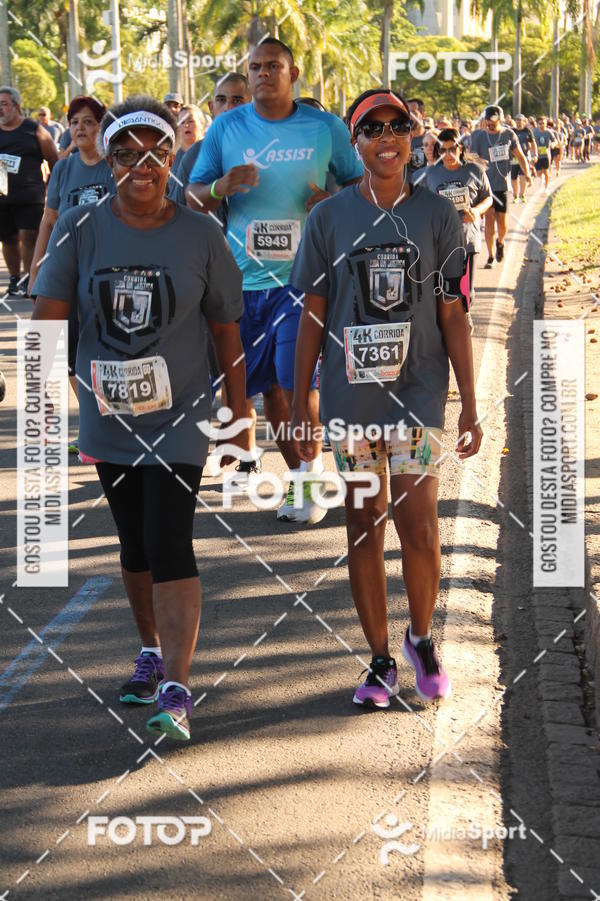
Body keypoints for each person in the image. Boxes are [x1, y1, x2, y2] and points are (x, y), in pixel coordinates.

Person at [31, 95, 248, 742]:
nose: (141, 165)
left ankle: (177, 685)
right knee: (133, 544)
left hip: (180, 416)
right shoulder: (80, 225)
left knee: (167, 537)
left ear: (172, 155)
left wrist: (240, 416)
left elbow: (226, 331)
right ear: (111, 161)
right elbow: (48, 319)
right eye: (125, 154)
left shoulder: (201, 233)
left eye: (155, 152)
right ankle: (151, 649)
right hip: (107, 415)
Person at [290, 88, 482, 705]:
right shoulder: (327, 220)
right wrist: (300, 406)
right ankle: (378, 660)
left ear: (414, 136)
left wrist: (470, 404)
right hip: (352, 403)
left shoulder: (438, 216)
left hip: (419, 395)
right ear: (357, 143)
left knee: (419, 527)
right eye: (372, 129)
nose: (386, 138)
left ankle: (420, 639)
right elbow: (312, 320)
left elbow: (454, 314)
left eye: (397, 126)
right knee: (363, 527)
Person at [186, 37, 362, 524]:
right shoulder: (226, 129)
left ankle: (307, 484)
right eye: (256, 67)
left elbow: (357, 188)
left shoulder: (325, 128)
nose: (264, 73)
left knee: (295, 378)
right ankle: (305, 476)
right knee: (266, 394)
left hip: (305, 279)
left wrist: (328, 200)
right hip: (240, 282)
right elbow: (193, 197)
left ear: (294, 72)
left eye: (274, 66)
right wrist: (222, 186)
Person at [30, 95, 113, 454]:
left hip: (106, 274)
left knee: (103, 352)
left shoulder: (113, 166)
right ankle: (95, 429)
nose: (80, 128)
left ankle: (110, 427)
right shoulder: (63, 168)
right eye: (74, 122)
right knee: (68, 355)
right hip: (65, 273)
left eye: (88, 122)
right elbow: (49, 219)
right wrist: (37, 268)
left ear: (101, 128)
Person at [427, 128, 492, 331]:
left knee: (467, 289)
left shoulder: (474, 170)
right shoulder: (431, 174)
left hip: (468, 237)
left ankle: (465, 316)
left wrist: (477, 210)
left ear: (460, 148)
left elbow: (488, 198)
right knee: (444, 287)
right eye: (443, 150)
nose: (448, 155)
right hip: (441, 240)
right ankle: (448, 323)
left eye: (452, 149)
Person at [0, 86, 58, 296]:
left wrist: (54, 186)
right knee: (7, 238)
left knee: (29, 234)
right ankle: (14, 278)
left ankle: (28, 278)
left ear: (17, 106)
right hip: (2, 196)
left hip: (30, 195)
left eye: (4, 104)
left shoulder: (34, 130)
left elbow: (53, 158)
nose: (0, 109)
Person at [469, 104, 531, 269]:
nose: (490, 124)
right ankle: (490, 256)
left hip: (502, 185)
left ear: (501, 119)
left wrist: (528, 173)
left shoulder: (509, 134)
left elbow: (520, 155)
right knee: (489, 220)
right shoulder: (478, 137)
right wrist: (481, 164)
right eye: (487, 121)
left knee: (502, 224)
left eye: (493, 121)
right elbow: (471, 158)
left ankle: (500, 242)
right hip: (485, 188)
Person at [511, 113, 537, 203]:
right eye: (517, 120)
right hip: (514, 157)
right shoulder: (512, 131)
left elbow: (533, 143)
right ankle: (515, 195)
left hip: (524, 157)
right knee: (514, 177)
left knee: (523, 175)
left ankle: (522, 194)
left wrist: (535, 154)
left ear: (524, 122)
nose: (518, 122)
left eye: (520, 120)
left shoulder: (527, 131)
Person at [532, 116, 556, 192]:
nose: (542, 125)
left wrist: (553, 144)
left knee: (546, 172)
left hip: (546, 155)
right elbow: (530, 141)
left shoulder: (548, 132)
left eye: (543, 123)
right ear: (537, 124)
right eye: (540, 123)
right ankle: (541, 180)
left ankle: (546, 187)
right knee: (538, 172)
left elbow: (554, 140)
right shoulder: (534, 132)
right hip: (537, 155)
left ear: (546, 124)